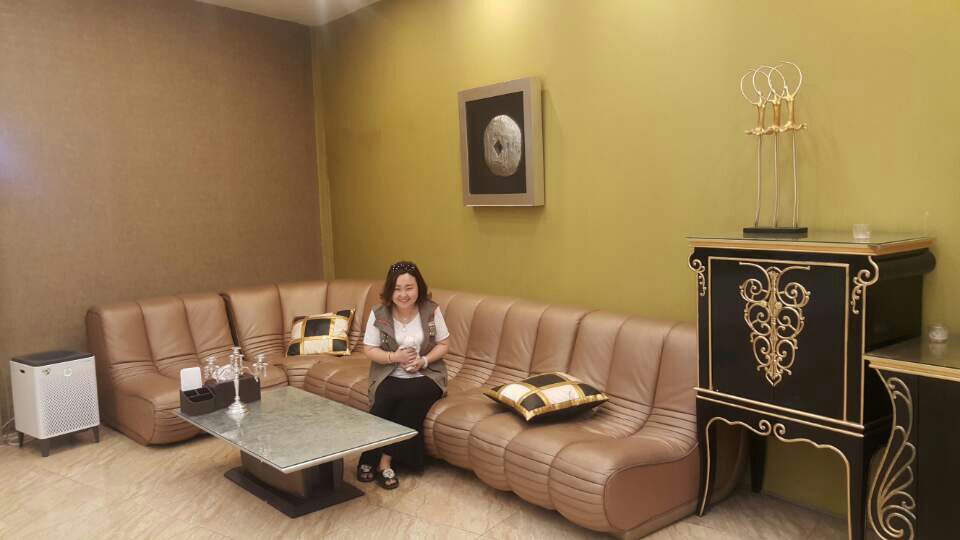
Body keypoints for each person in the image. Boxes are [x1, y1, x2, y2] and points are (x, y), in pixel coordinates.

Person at [356, 261, 449, 489]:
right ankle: (372, 455)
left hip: (427, 375)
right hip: (389, 372)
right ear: (390, 290)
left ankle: (383, 460)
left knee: (412, 397)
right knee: (385, 399)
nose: (404, 294)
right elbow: (369, 349)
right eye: (397, 289)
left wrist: (423, 361)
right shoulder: (379, 313)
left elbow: (444, 344)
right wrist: (394, 357)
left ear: (419, 288)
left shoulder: (431, 310)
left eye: (409, 288)